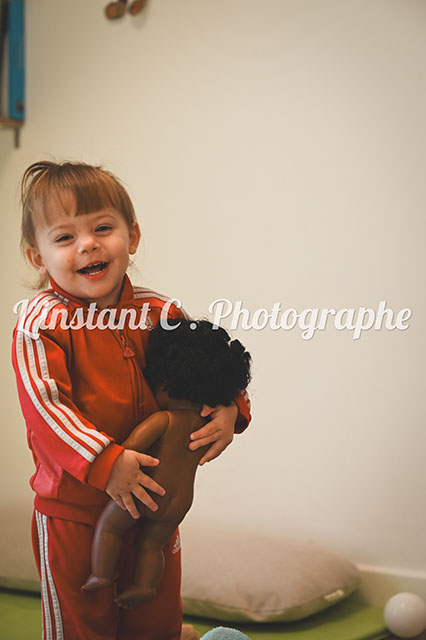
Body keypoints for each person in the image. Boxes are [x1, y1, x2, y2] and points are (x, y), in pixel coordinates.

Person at [12, 161, 251, 640]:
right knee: (83, 624)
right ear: (37, 256)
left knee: (155, 618)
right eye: (65, 237)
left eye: (103, 228)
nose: (88, 244)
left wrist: (230, 407)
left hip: (154, 501)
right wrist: (107, 462)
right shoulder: (40, 324)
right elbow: (47, 409)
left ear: (132, 236)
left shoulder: (159, 311)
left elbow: (206, 362)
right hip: (74, 512)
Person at [82, 318, 251, 609]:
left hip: (149, 491)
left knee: (110, 527)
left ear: (164, 385)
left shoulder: (164, 420)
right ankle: (145, 586)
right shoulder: (206, 427)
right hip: (181, 501)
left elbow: (129, 448)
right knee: (152, 544)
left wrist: (117, 456)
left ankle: (101, 575)